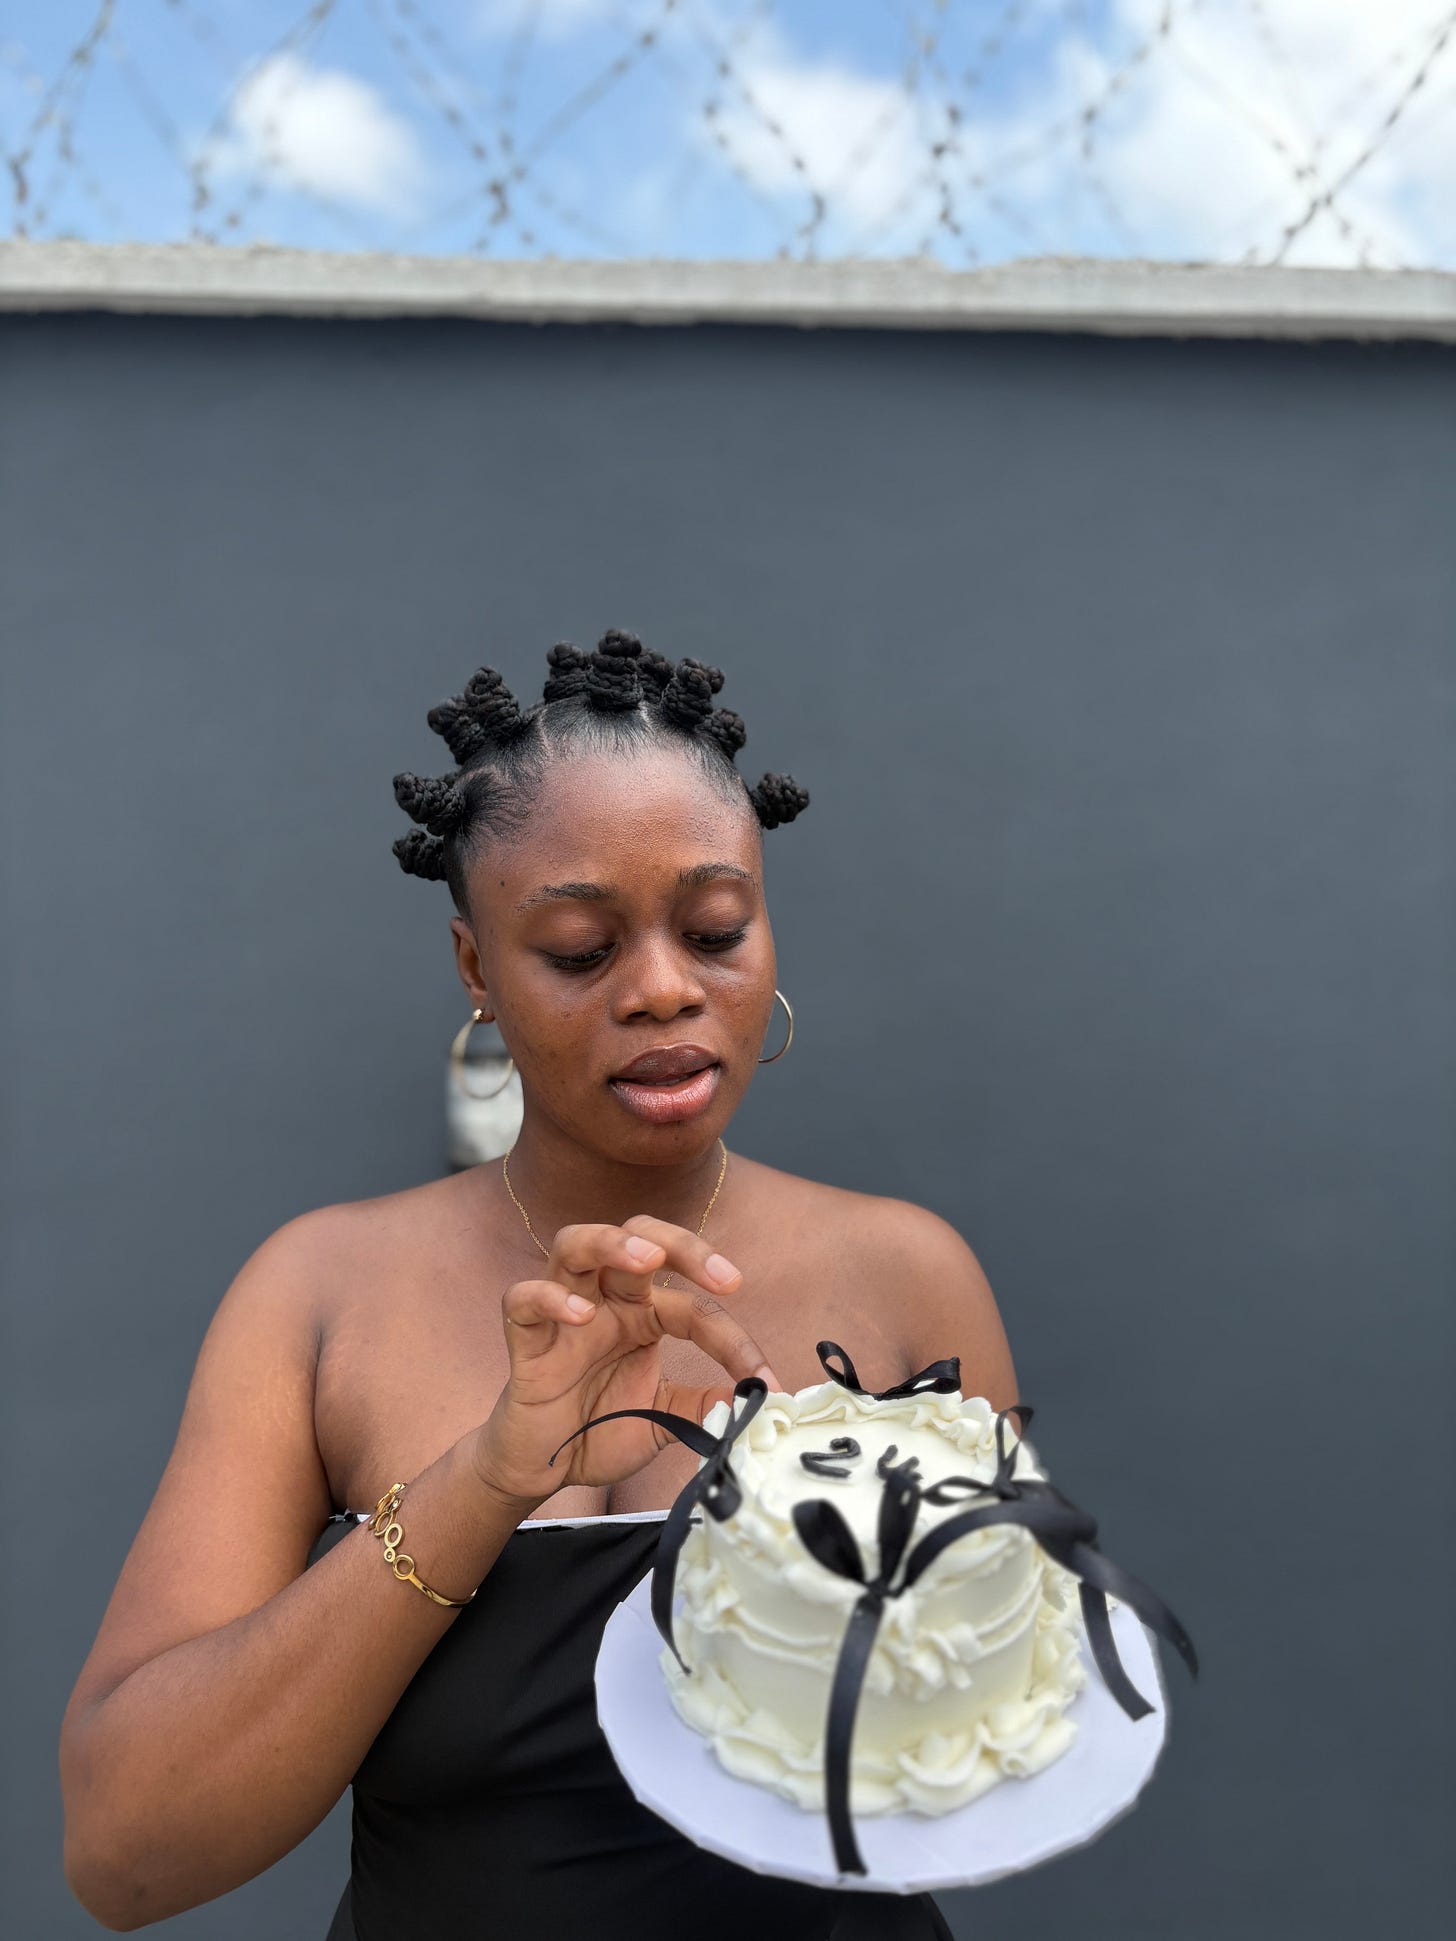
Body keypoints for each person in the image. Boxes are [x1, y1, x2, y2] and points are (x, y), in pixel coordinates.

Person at [59, 630, 1019, 1937]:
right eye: (579, 950)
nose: (665, 989)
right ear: (477, 970)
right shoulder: (318, 1294)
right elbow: (128, 1854)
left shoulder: (906, 1280)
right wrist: (487, 1477)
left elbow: (994, 1770)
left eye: (718, 930)